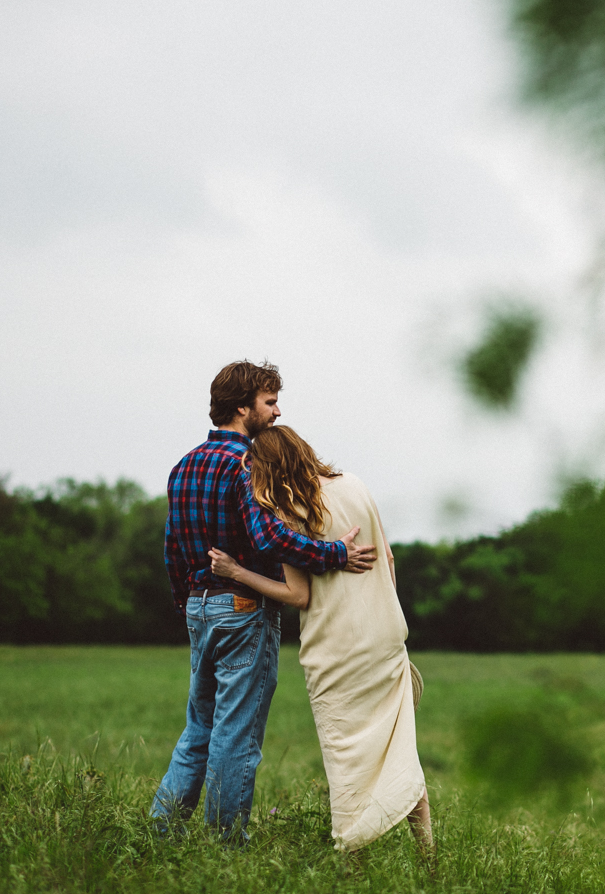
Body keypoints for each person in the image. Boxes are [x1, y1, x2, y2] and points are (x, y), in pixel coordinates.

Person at [152, 360, 377, 840]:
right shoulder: (244, 464)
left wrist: (188, 606)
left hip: (198, 606)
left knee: (199, 728)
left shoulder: (183, 465)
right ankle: (225, 842)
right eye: (269, 402)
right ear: (242, 408)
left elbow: (172, 547)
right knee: (236, 733)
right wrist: (335, 553)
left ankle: (162, 831)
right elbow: (271, 538)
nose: (277, 412)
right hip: (242, 609)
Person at [207, 424, 432, 855]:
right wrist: (383, 609)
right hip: (385, 639)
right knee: (402, 756)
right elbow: (386, 556)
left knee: (347, 762)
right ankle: (430, 863)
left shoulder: (291, 509)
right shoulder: (355, 484)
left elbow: (298, 595)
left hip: (337, 648)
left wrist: (237, 574)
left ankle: (353, 863)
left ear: (268, 468)